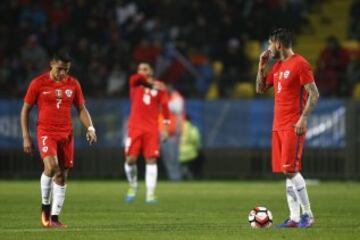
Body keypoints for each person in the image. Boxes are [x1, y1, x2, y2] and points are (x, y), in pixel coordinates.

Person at [20, 51, 97, 228]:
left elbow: (81, 108)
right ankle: (45, 207)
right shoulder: (38, 83)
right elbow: (25, 110)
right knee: (52, 167)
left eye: (66, 69)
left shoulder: (73, 84)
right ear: (51, 65)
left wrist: (90, 128)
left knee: (61, 177)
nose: (63, 73)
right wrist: (26, 136)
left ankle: (54, 219)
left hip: (66, 134)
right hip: (46, 131)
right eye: (60, 69)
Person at [255, 28, 319, 228]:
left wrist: (302, 119)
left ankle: (307, 215)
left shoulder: (300, 63)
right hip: (278, 126)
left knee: (291, 170)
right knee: (287, 171)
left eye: (269, 43)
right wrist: (261, 66)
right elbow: (260, 88)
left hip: (293, 125)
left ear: (278, 44)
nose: (268, 47)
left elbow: (314, 93)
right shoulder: (278, 66)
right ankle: (294, 218)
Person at [124, 62, 170, 203]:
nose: (141, 71)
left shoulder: (160, 87)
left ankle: (150, 194)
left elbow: (165, 107)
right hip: (135, 128)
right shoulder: (135, 84)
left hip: (151, 129)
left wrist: (166, 128)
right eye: (139, 69)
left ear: (151, 71)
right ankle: (133, 186)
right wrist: (150, 84)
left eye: (145, 69)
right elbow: (135, 78)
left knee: (151, 159)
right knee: (130, 159)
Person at [159, 85, 185, 181]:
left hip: (172, 133)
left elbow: (175, 109)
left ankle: (176, 177)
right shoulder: (166, 98)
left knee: (173, 157)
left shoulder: (176, 98)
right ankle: (173, 177)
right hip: (163, 132)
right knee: (167, 157)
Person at [179, 115, 202, 180]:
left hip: (178, 153)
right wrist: (198, 148)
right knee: (194, 163)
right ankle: (190, 174)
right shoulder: (192, 128)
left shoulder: (177, 128)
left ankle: (183, 172)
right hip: (190, 153)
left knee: (181, 165)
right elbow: (196, 139)